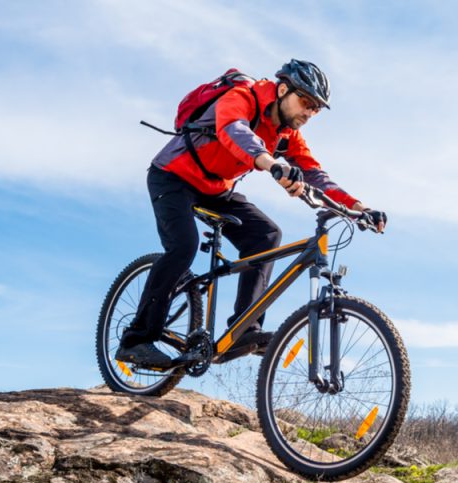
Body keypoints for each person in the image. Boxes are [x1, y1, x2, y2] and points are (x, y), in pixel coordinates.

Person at [116, 59, 386, 368]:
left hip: (216, 188)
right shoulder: (244, 96)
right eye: (306, 102)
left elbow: (315, 174)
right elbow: (235, 131)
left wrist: (359, 208)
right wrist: (271, 163)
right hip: (173, 177)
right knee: (183, 246)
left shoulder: (286, 134)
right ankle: (136, 340)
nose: (309, 113)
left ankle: (243, 330)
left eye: (316, 109)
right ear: (283, 90)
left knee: (266, 235)